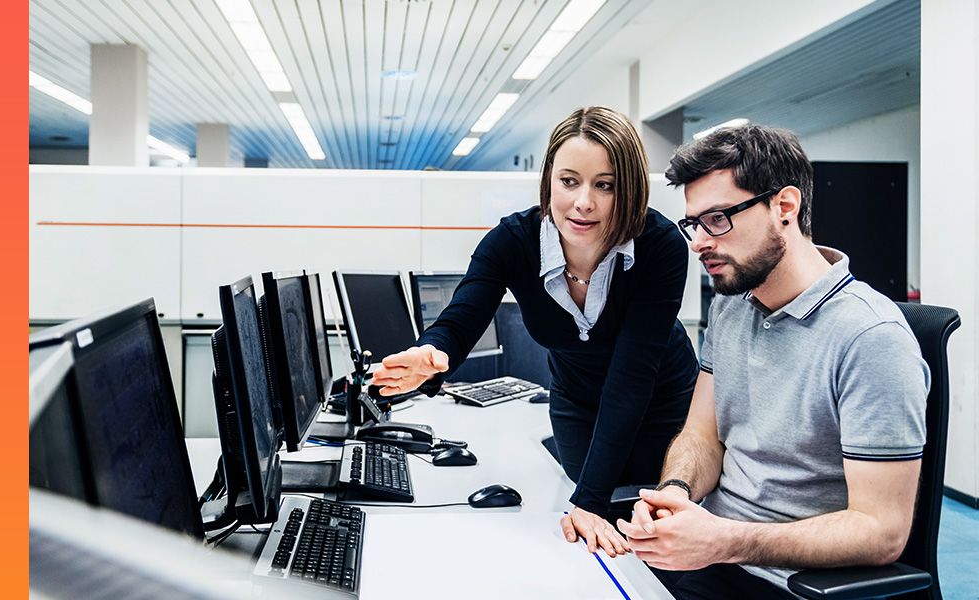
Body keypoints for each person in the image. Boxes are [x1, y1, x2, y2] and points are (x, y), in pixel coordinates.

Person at [616, 124, 929, 599]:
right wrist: (676, 493)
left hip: (791, 583)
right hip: (710, 558)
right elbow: (702, 435)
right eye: (693, 224)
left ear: (784, 207)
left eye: (717, 219)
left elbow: (882, 530)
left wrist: (728, 542)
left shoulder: (870, 337)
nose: (698, 242)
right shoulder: (731, 303)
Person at [372, 106, 699, 557]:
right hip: (577, 400)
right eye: (569, 181)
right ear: (548, 180)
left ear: (631, 190)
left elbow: (633, 374)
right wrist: (435, 352)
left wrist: (590, 501)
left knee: (650, 519)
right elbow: (464, 313)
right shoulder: (514, 240)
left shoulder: (659, 246)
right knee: (587, 515)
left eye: (605, 185)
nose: (583, 202)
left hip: (663, 400)